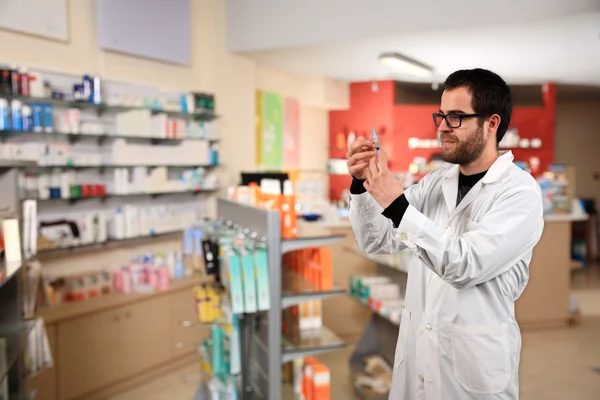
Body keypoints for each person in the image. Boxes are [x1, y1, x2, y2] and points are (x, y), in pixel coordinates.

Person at [346, 68, 544, 400]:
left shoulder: (520, 193)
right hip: (420, 357)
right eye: (441, 116)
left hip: (474, 371)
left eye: (455, 117)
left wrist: (397, 205)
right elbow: (376, 239)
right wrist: (360, 185)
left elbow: (464, 264)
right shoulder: (437, 182)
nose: (441, 127)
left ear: (491, 123)